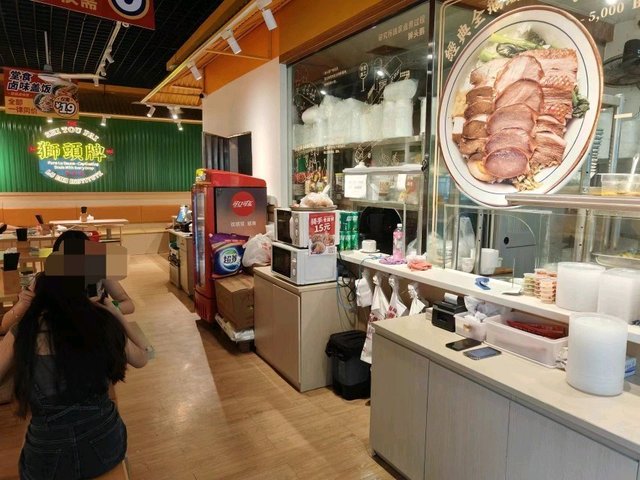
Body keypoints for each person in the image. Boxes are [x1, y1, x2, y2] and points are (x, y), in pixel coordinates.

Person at [0, 272, 148, 479]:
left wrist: (22, 306)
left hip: (47, 453)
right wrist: (115, 313)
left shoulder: (24, 331)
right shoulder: (101, 323)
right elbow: (144, 355)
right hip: (105, 443)